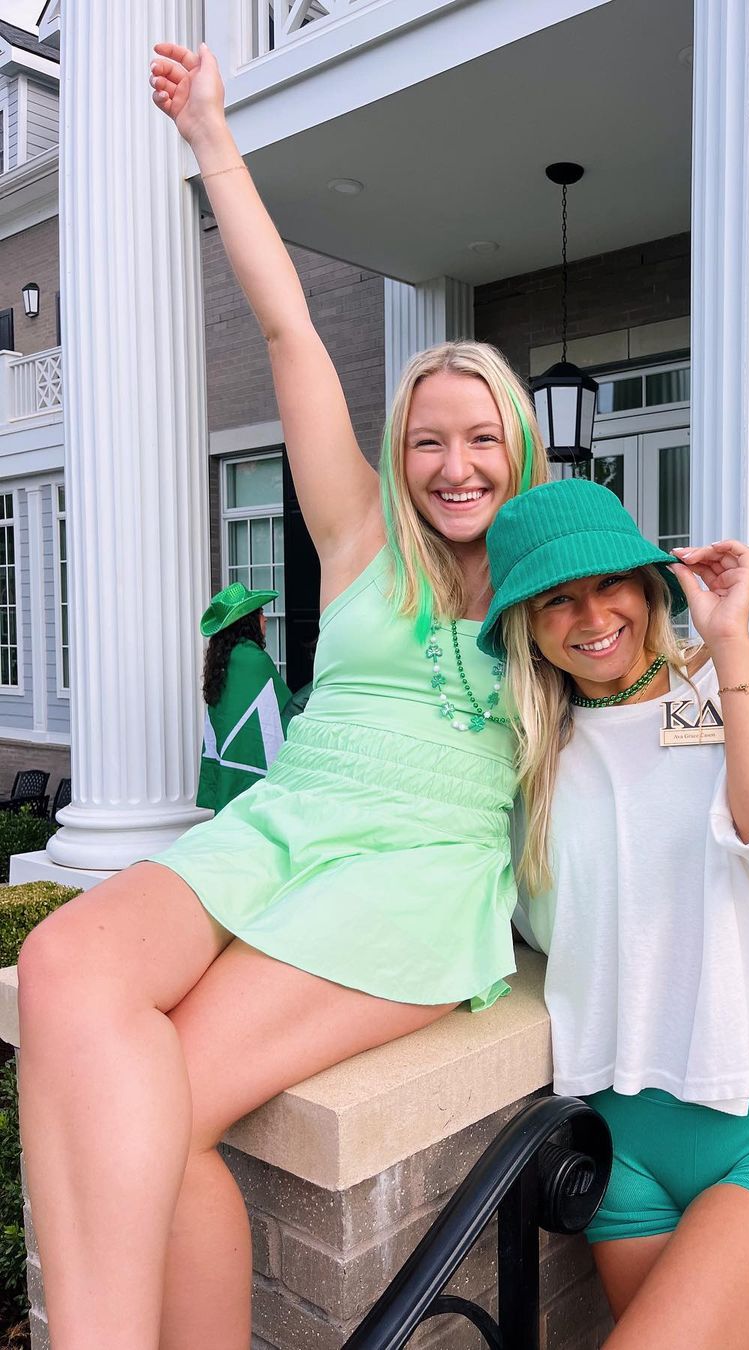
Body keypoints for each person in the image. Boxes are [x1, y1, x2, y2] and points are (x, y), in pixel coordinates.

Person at [16, 41, 546, 1350]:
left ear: (522, 449)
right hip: (283, 824)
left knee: (173, 1099)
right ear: (399, 455)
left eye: (482, 437)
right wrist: (211, 135)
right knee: (63, 963)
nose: (455, 463)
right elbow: (289, 331)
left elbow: (661, 715)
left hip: (417, 872)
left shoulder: (557, 597)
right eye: (429, 438)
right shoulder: (361, 537)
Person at [479, 479, 749, 1349]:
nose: (592, 616)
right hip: (622, 1146)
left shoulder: (741, 673)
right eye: (556, 600)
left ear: (650, 583)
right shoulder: (534, 755)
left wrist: (727, 639)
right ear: (526, 625)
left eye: (610, 582)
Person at [197, 581, 292, 813]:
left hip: (229, 765)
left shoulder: (222, 661)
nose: (265, 619)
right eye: (260, 613)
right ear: (248, 621)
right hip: (254, 769)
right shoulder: (254, 660)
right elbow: (285, 711)